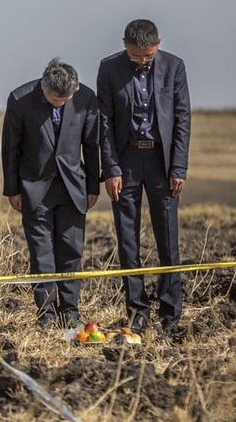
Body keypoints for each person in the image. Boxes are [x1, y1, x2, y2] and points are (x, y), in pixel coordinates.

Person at [97, 19, 190, 337]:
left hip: (162, 162)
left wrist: (179, 167)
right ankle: (137, 311)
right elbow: (105, 122)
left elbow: (182, 117)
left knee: (168, 239)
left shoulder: (175, 67)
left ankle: (170, 312)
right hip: (126, 162)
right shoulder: (108, 68)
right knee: (128, 241)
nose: (141, 62)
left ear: (158, 44)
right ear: (124, 44)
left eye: (147, 57)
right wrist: (111, 168)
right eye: (135, 56)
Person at [3, 59, 100, 328]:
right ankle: (45, 313)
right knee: (41, 253)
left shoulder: (87, 98)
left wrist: (93, 186)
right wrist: (12, 189)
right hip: (35, 189)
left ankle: (69, 310)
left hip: (73, 188)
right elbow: (10, 148)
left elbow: (92, 145)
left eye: (65, 100)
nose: (59, 103)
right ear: (43, 86)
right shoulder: (20, 99)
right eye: (54, 99)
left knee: (71, 249)